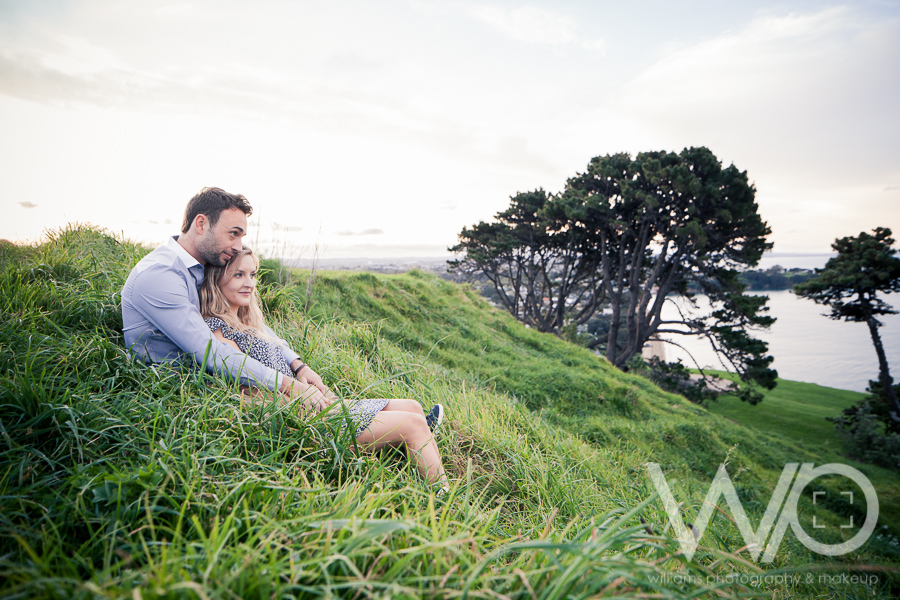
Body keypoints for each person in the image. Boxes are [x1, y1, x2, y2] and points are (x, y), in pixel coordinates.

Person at [200, 245, 448, 490]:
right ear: (216, 280)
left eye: (252, 275)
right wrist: (306, 406)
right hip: (307, 422)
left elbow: (283, 362)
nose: (249, 283)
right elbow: (243, 387)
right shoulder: (217, 328)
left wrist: (305, 378)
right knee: (415, 424)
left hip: (314, 407)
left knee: (414, 408)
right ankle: (443, 495)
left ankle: (411, 457)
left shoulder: (249, 322)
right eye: (238, 275)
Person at [121, 187, 324, 404]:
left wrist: (297, 364)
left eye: (241, 237)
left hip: (216, 382)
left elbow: (246, 323)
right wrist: (289, 385)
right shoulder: (161, 275)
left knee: (332, 408)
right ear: (201, 224)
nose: (238, 247)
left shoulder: (200, 266)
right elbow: (210, 351)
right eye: (233, 234)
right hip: (179, 395)